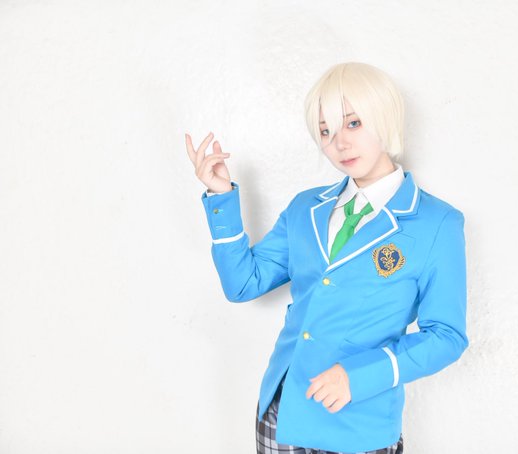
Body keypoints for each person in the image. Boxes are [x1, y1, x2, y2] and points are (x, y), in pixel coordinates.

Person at [185, 62, 469, 454]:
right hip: (282, 413)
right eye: (325, 131)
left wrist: (359, 376)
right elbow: (243, 284)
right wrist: (221, 198)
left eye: (353, 123)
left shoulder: (437, 223)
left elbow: (446, 337)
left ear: (385, 117)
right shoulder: (305, 208)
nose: (339, 143)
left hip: (359, 425)